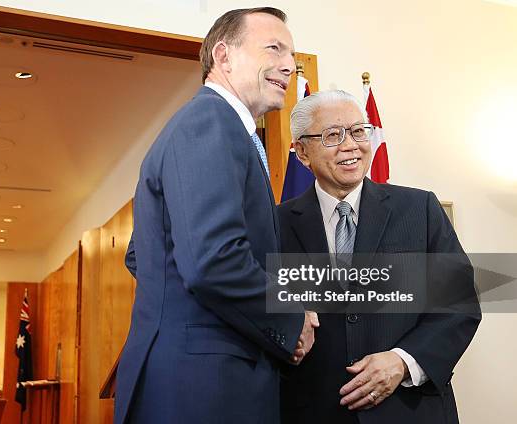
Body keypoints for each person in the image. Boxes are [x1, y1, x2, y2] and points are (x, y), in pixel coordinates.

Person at [114, 8, 317, 424]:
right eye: (274, 49)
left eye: (292, 56)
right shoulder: (211, 121)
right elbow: (213, 260)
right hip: (204, 387)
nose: (288, 66)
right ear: (223, 57)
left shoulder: (216, 127)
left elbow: (144, 254)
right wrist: (290, 317)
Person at [279, 90, 481, 424]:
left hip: (410, 409)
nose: (350, 146)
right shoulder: (275, 224)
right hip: (313, 411)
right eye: (333, 135)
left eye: (359, 131)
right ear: (301, 152)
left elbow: (459, 305)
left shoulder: (421, 210)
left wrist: (404, 361)